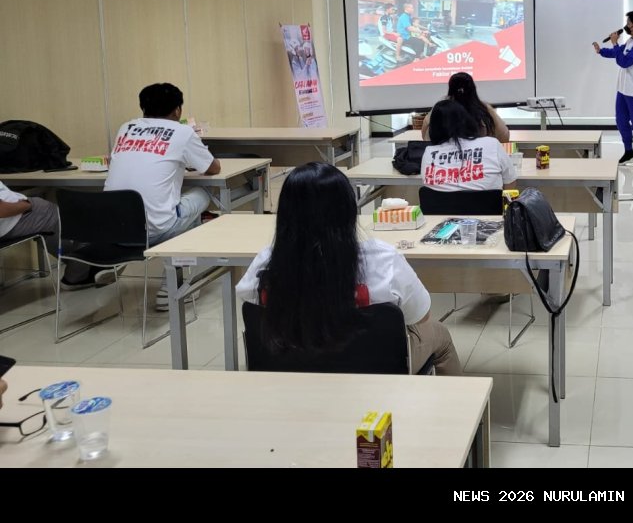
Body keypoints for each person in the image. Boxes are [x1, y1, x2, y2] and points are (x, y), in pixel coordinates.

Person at [236, 163, 461, 375]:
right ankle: (456, 412)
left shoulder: (266, 261)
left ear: (284, 214)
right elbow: (420, 316)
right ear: (349, 211)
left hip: (290, 370)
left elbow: (249, 303)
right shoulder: (383, 259)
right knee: (439, 335)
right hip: (375, 371)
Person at [102, 83, 220, 307]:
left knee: (173, 200)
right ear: (177, 111)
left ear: (143, 107)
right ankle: (175, 285)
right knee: (204, 194)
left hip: (113, 228)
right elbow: (213, 169)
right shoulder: (182, 132)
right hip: (156, 229)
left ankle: (95, 268)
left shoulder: (126, 127)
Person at [592, 10, 633, 169]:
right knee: (621, 121)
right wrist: (601, 51)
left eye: (629, 23)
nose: (626, 26)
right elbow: (617, 54)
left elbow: (624, 62)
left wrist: (615, 42)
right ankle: (629, 152)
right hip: (623, 89)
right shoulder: (631, 41)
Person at [421, 100, 517, 192]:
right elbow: (510, 183)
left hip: (440, 209)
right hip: (488, 208)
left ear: (433, 127)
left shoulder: (428, 153)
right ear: (466, 121)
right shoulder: (492, 144)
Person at [421, 72, 510, 144]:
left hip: (444, 162)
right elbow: (504, 136)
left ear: (450, 89)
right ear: (473, 89)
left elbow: (426, 135)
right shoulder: (484, 109)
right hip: (479, 161)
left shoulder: (441, 109)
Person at [0, 180, 63, 281]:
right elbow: (2, 210)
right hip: (9, 218)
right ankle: (78, 271)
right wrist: (27, 206)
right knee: (50, 212)